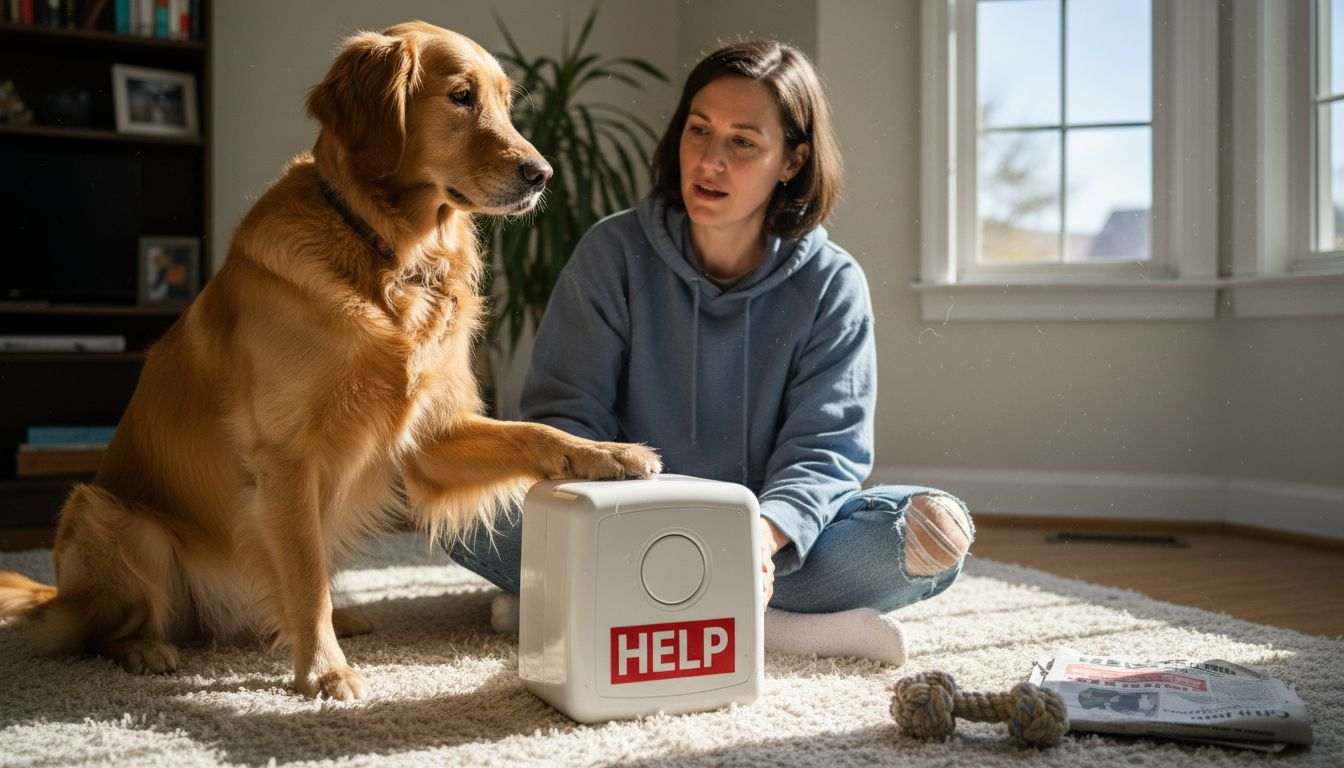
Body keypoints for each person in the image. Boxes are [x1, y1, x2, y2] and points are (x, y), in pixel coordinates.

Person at [446, 40, 974, 665]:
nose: (709, 159)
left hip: (768, 539)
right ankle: (782, 630)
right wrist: (645, 528)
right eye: (698, 130)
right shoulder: (612, 251)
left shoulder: (833, 282)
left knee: (930, 532)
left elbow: (826, 450)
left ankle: (585, 603)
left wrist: (757, 539)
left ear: (791, 160)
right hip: (624, 519)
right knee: (467, 505)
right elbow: (568, 420)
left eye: (743, 142)